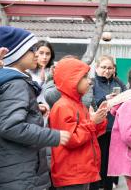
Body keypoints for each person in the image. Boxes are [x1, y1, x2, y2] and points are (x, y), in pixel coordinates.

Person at [0, 26, 70, 190]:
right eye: (32, 50)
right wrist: (53, 136)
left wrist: (35, 109)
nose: (37, 54)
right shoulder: (16, 84)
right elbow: (10, 126)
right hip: (19, 171)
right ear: (16, 53)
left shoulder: (14, 81)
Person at [49, 58, 108, 189]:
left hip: (81, 172)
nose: (90, 81)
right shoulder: (63, 106)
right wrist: (93, 122)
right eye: (85, 77)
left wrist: (100, 118)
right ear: (71, 79)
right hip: (71, 174)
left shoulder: (78, 104)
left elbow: (91, 135)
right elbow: (71, 140)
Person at [90, 55, 127, 190]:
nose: (107, 70)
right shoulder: (91, 83)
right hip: (98, 130)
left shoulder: (118, 82)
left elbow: (127, 97)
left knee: (111, 164)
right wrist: (105, 99)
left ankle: (109, 185)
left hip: (115, 129)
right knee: (98, 162)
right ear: (97, 67)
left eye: (110, 68)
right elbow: (89, 103)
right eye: (103, 67)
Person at [28, 40, 55, 104]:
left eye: (48, 54)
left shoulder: (53, 71)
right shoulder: (27, 72)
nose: (44, 57)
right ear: (35, 53)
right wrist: (41, 81)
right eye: (41, 53)